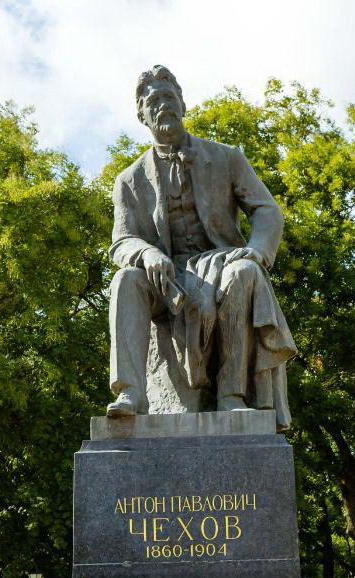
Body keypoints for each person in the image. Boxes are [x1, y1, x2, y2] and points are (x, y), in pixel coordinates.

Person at [106, 65, 295, 427]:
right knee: (125, 280)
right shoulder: (129, 180)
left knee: (245, 272)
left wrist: (258, 250)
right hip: (166, 280)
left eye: (169, 97)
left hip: (220, 264)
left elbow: (266, 209)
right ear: (142, 115)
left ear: (183, 104)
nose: (163, 106)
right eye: (153, 101)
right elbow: (122, 242)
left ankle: (231, 395)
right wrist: (148, 253)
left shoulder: (226, 157)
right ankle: (130, 392)